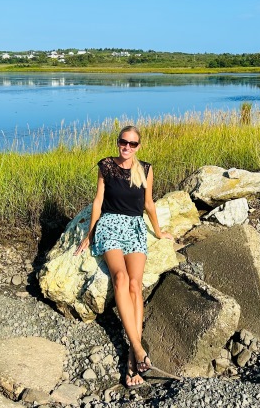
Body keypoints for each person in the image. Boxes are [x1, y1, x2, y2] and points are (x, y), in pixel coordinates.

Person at [74, 125, 173, 389]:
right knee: (120, 277)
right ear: (117, 142)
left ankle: (133, 352)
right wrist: (91, 233)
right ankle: (138, 353)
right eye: (123, 142)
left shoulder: (146, 170)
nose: (127, 147)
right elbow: (98, 201)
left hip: (135, 227)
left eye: (132, 144)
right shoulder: (106, 165)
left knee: (135, 285)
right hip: (110, 226)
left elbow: (148, 204)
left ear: (139, 146)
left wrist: (159, 232)